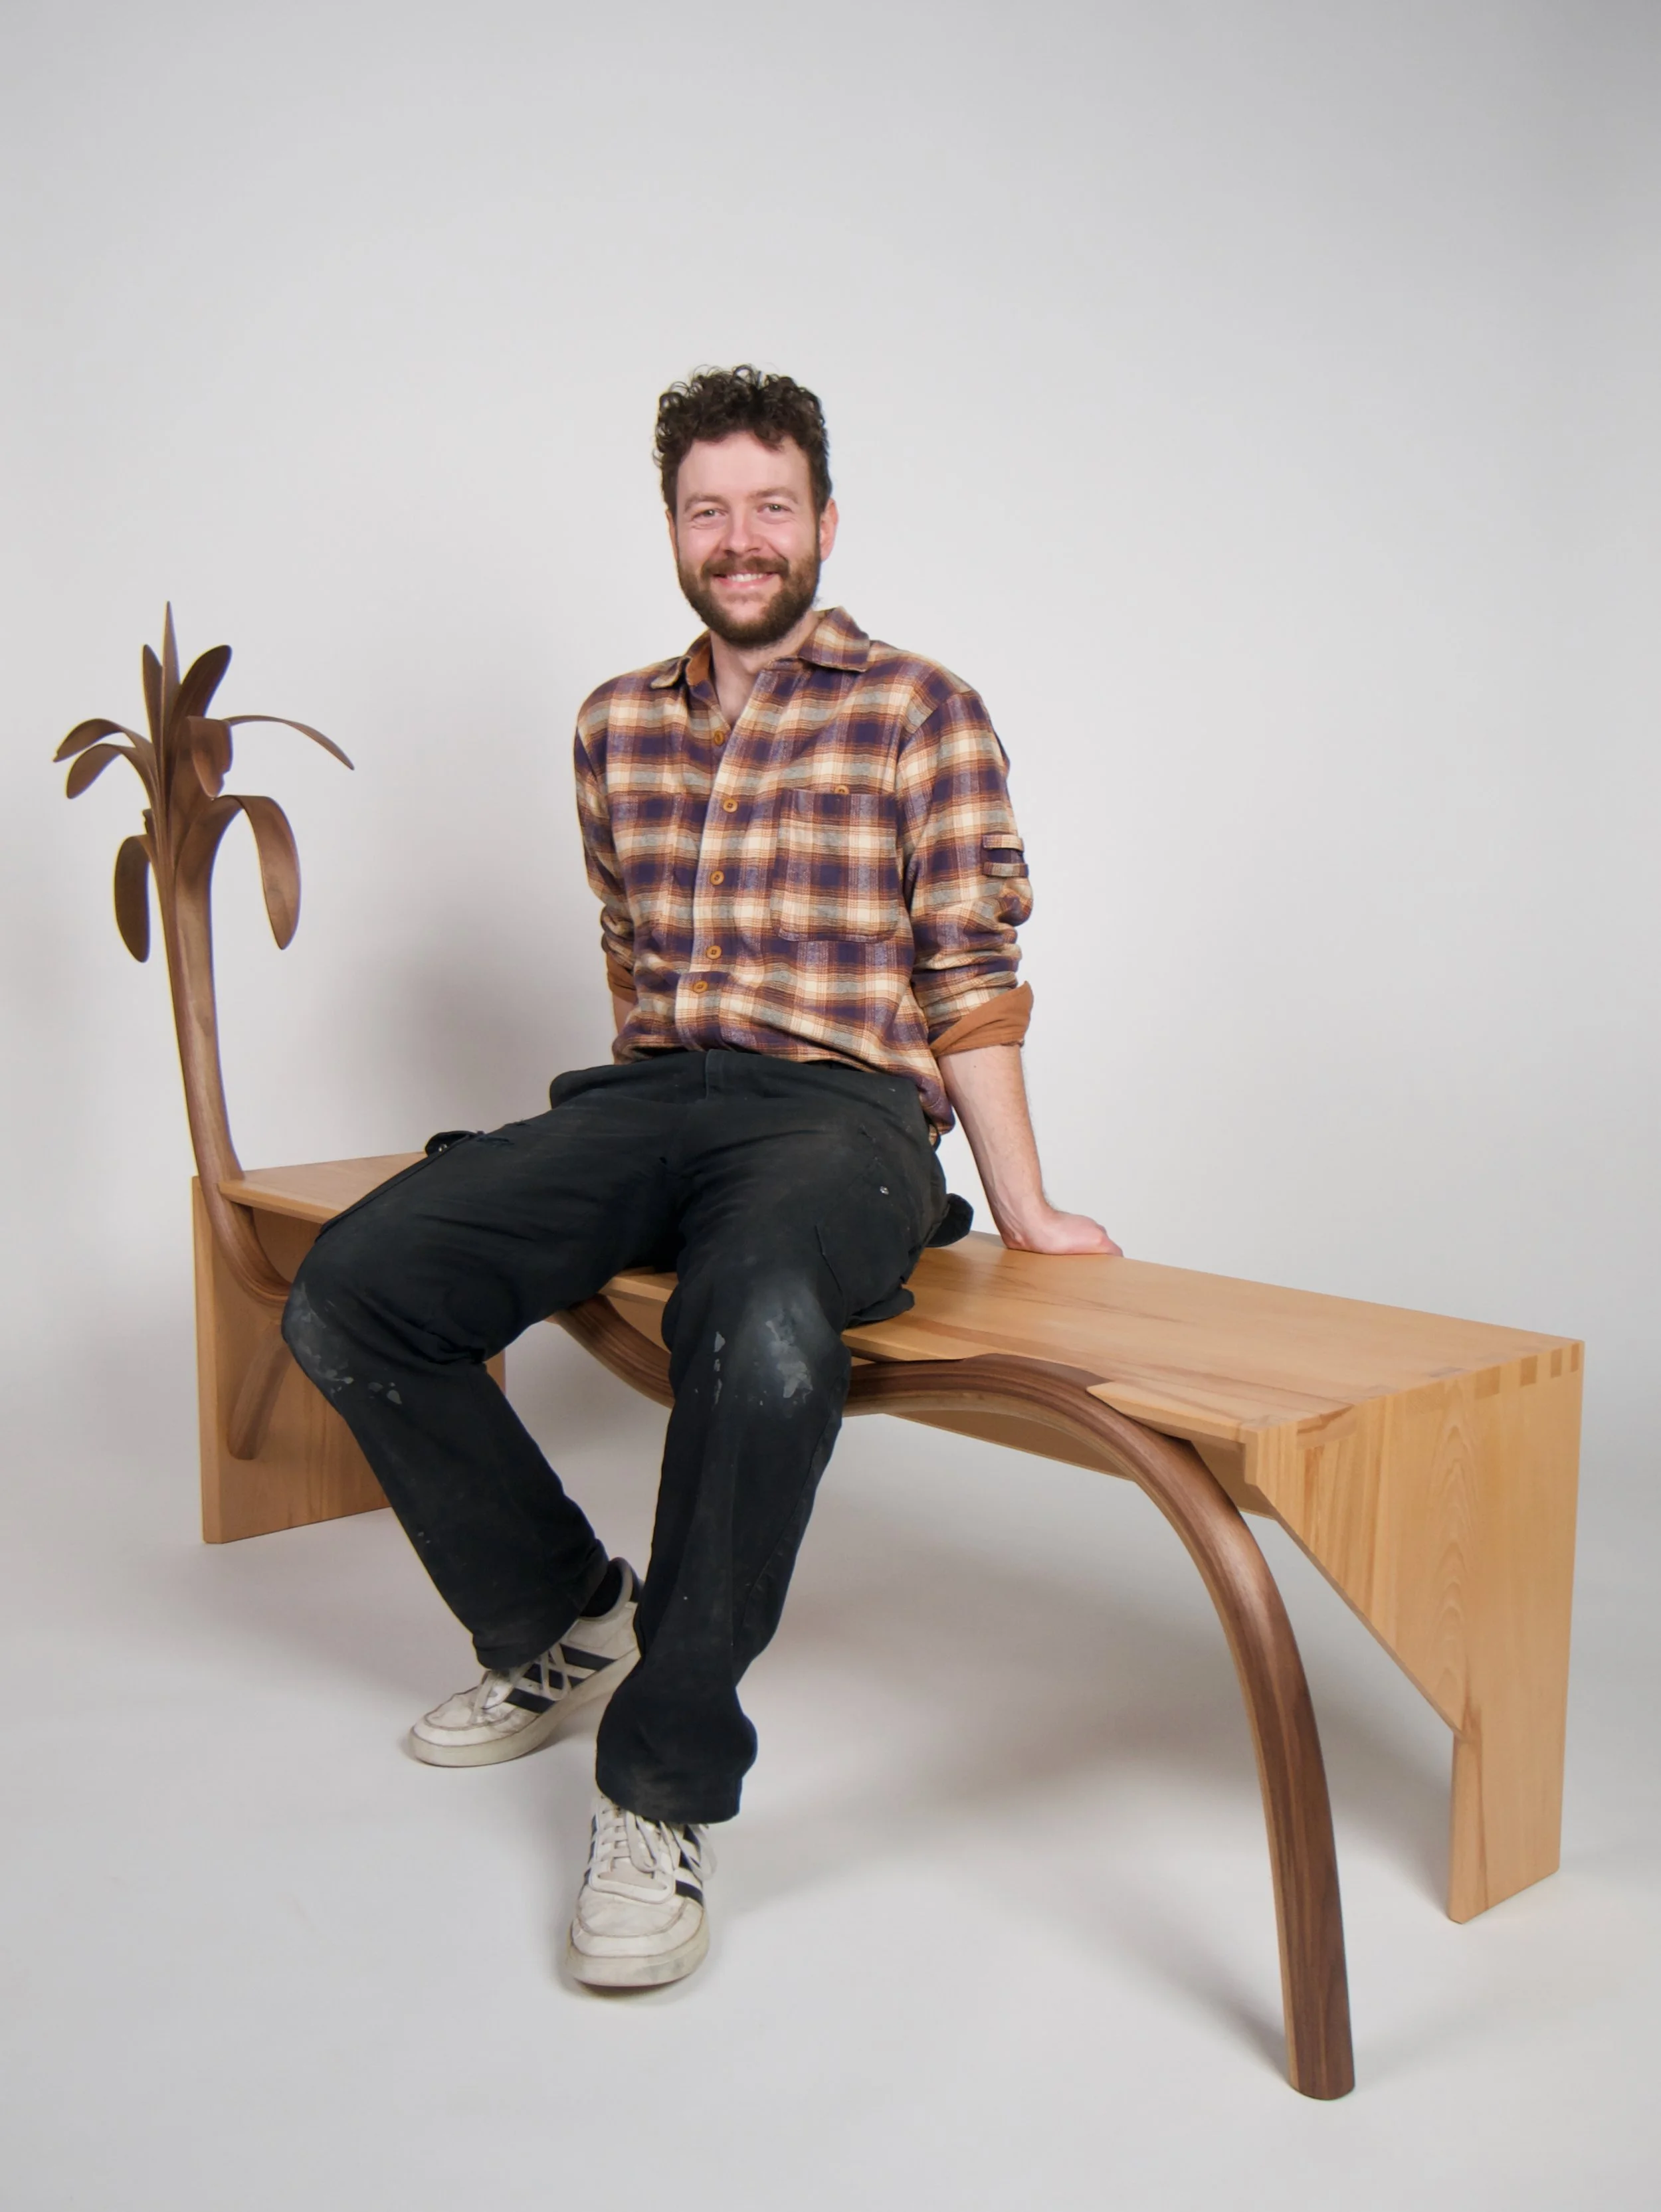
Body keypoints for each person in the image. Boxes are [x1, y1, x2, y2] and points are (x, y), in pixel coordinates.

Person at [283, 365, 1119, 1991]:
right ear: (673, 527)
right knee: (353, 1288)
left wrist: (1019, 1202)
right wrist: (627, 1148)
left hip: (843, 1113)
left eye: (769, 506)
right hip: (655, 1090)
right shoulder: (614, 724)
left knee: (755, 1320)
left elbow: (967, 971)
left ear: (822, 521)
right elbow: (626, 943)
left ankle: (660, 1785)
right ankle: (558, 1619)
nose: (739, 540)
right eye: (706, 510)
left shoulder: (918, 709)